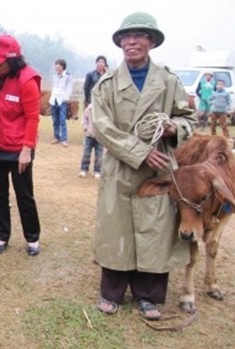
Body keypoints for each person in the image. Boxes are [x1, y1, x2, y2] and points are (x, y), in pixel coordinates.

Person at [91, 12, 196, 320]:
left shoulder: (168, 81)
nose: (131, 42)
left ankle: (149, 296)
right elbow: (102, 127)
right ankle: (111, 293)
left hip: (159, 170)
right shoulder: (106, 84)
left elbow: (187, 118)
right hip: (120, 170)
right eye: (126, 37)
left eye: (138, 36)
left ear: (151, 41)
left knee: (156, 230)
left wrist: (173, 129)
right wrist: (139, 152)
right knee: (116, 227)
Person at [0, 34, 42, 256]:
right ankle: (2, 235)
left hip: (18, 148)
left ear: (13, 61)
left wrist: (27, 150)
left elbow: (33, 118)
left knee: (24, 194)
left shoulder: (27, 80)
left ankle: (32, 238)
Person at [49, 58, 73, 147]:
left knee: (62, 120)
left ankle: (64, 139)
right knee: (55, 119)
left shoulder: (68, 76)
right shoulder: (55, 76)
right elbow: (54, 87)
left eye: (57, 64)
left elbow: (69, 88)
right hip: (54, 99)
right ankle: (56, 137)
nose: (56, 66)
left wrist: (66, 98)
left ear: (62, 66)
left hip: (62, 100)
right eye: (55, 64)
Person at [78, 104, 103, 179]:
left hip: (99, 137)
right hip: (89, 136)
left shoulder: (103, 109)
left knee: (99, 155)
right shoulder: (89, 109)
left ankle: (97, 170)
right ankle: (83, 169)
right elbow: (84, 118)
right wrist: (86, 128)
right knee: (86, 153)